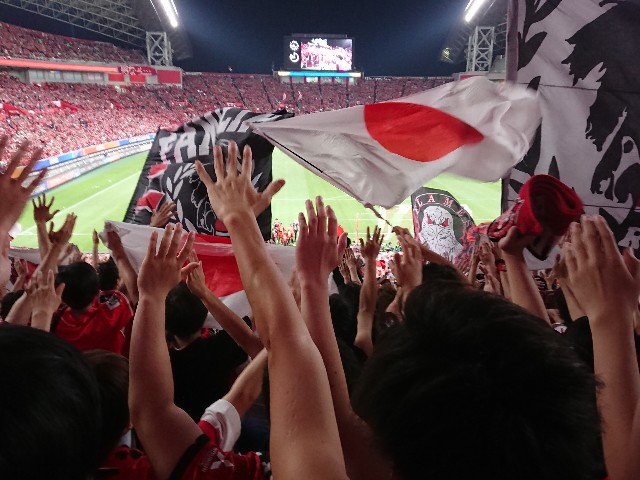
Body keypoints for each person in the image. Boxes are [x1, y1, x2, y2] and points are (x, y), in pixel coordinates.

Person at [53, 261, 133, 354]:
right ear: (97, 291)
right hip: (109, 362)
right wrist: (120, 257)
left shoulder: (54, 319)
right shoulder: (108, 315)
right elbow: (128, 287)